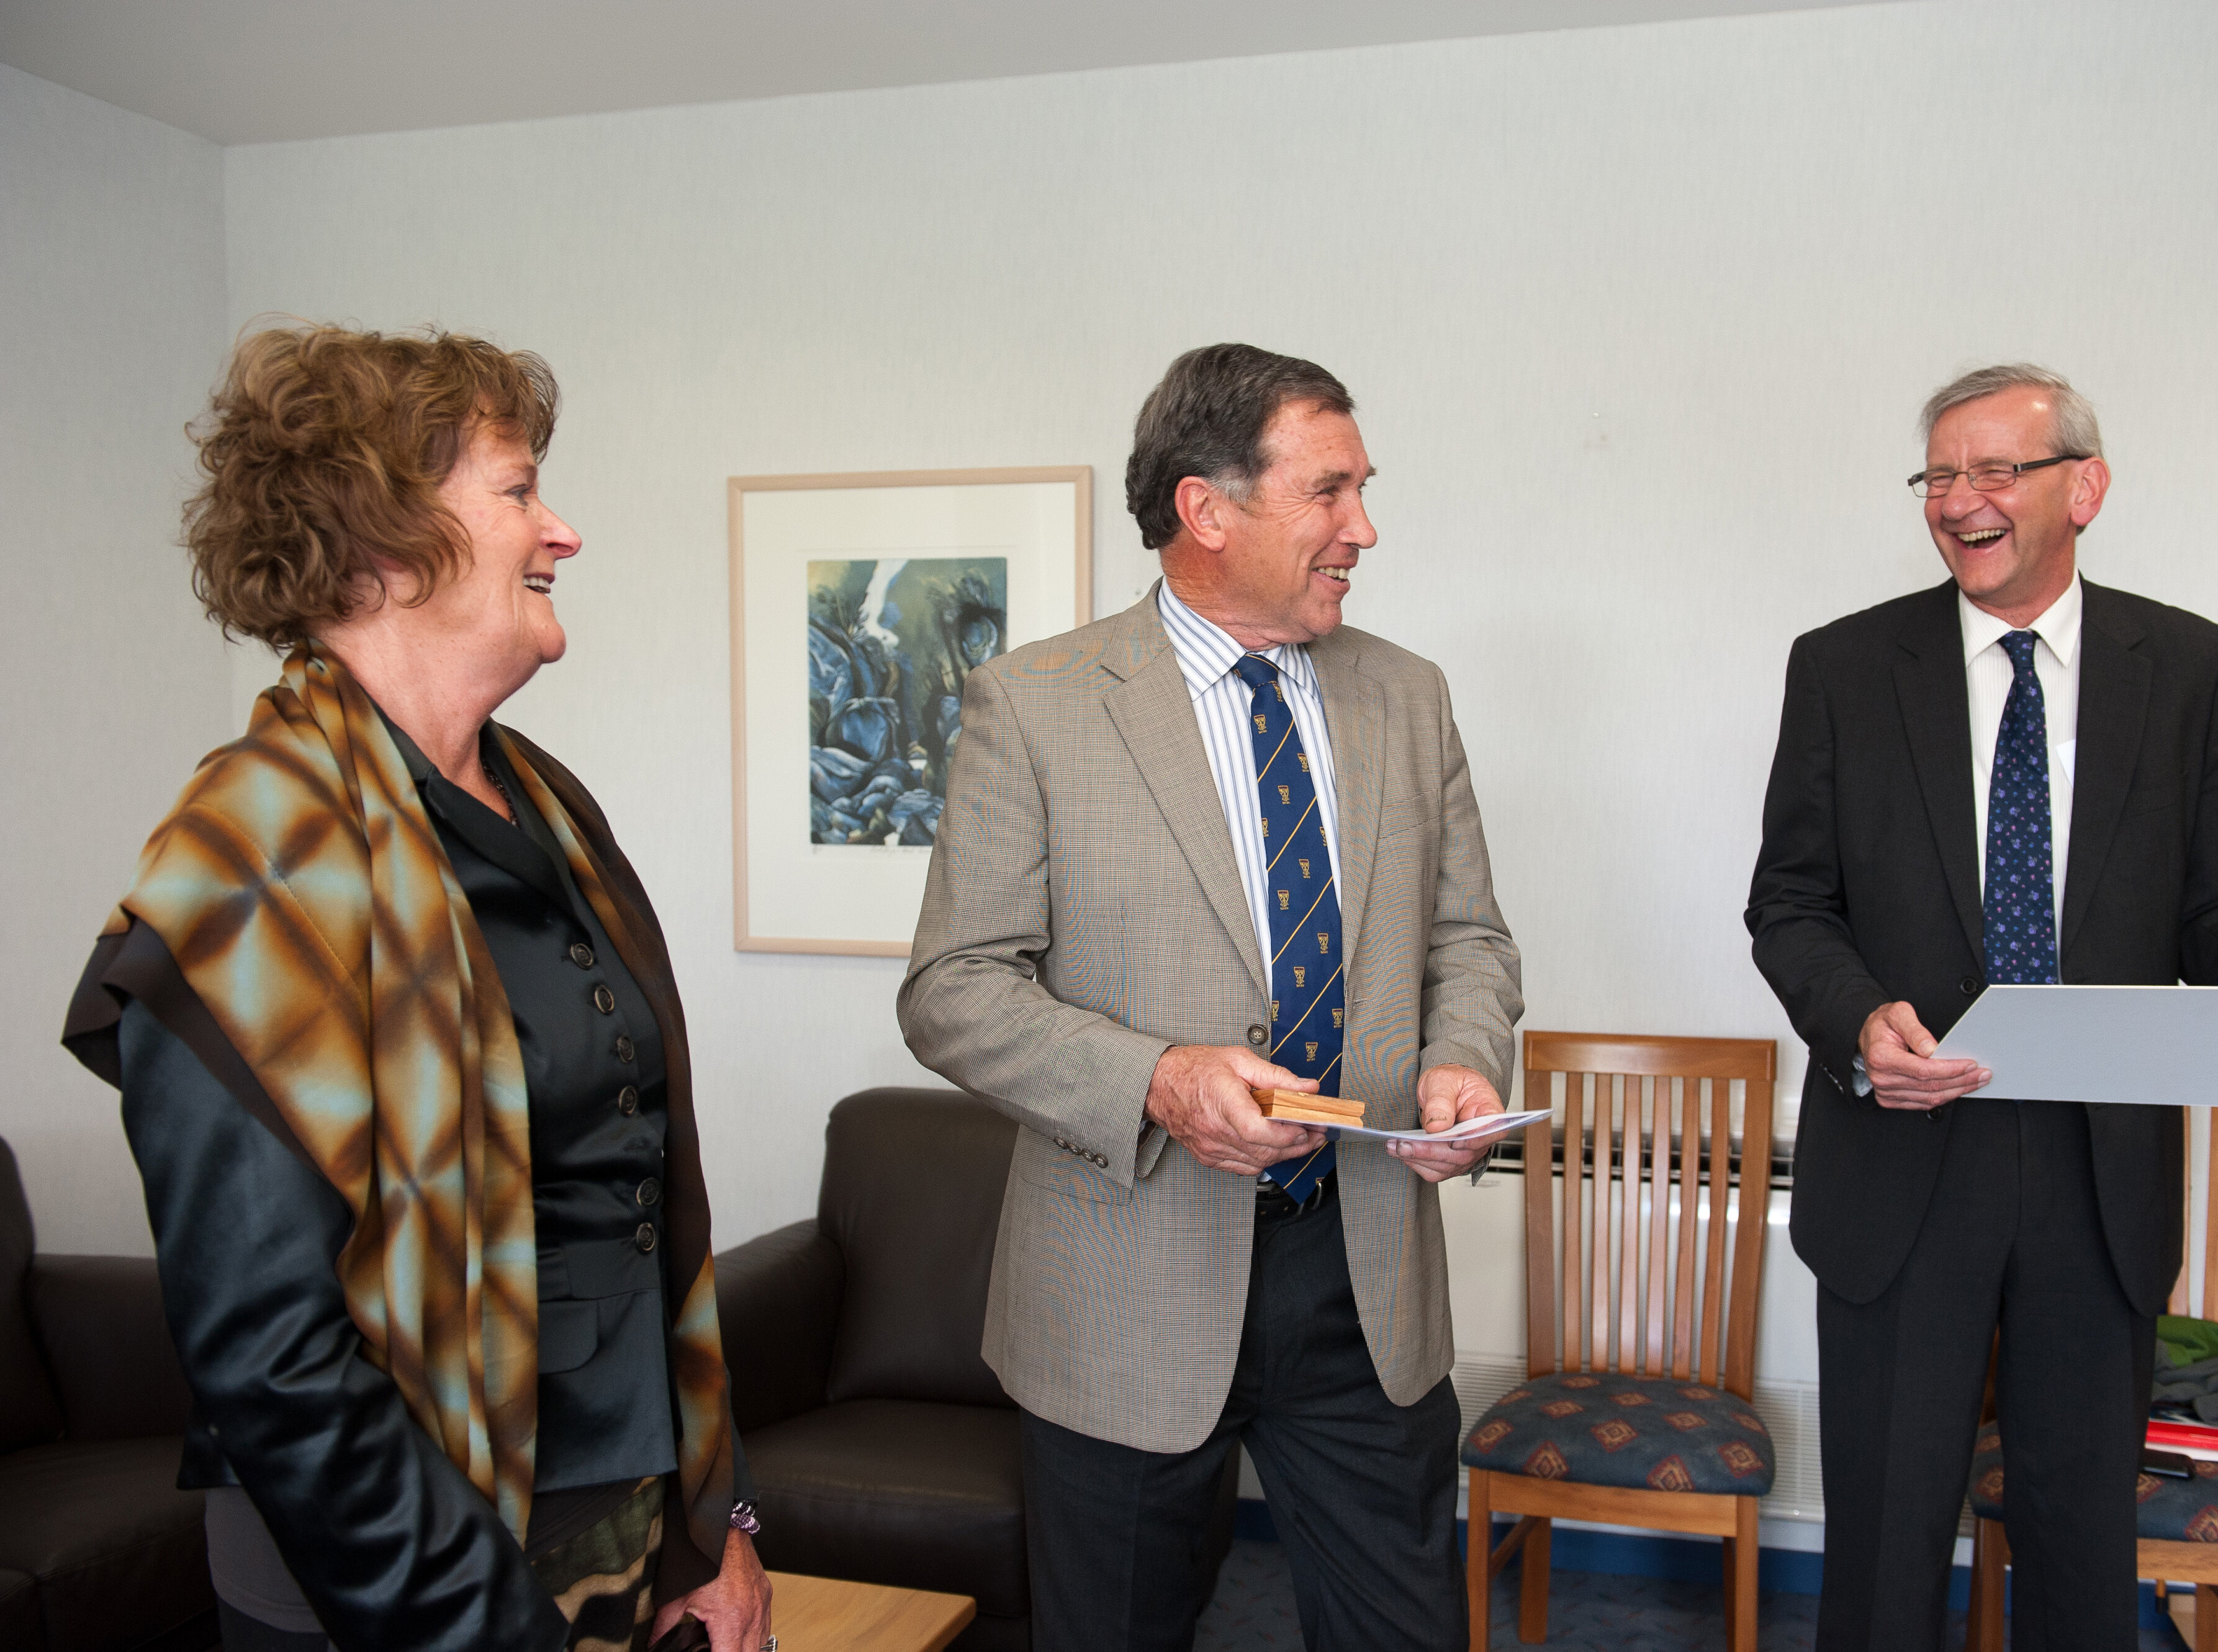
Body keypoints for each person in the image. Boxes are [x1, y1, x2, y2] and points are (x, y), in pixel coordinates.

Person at [61, 326, 772, 1652]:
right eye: (516, 492)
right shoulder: (253, 853)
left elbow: (646, 1202)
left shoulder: (550, 803)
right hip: (391, 1584)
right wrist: (476, 1624)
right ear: (381, 542)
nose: (561, 531)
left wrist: (715, 1524)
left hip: (618, 1515)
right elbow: (272, 1359)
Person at [1746, 363, 2218, 1648]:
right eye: (1937, 475)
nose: (1958, 501)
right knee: (1879, 1547)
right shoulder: (1843, 666)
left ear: (2081, 486)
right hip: (1901, 1158)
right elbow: (1788, 905)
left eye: (1993, 470)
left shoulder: (2189, 666)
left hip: (2099, 1173)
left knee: (2080, 1543)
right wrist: (1861, 1023)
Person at [898, 343, 1523, 1650]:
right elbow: (952, 989)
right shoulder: (1035, 706)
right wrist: (1155, 1077)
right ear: (1207, 508)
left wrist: (1461, 1056)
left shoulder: (1407, 697)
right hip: (1121, 1287)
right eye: (1331, 491)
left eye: (1362, 491)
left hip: (1364, 1280)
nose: (1364, 527)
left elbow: (1466, 935)